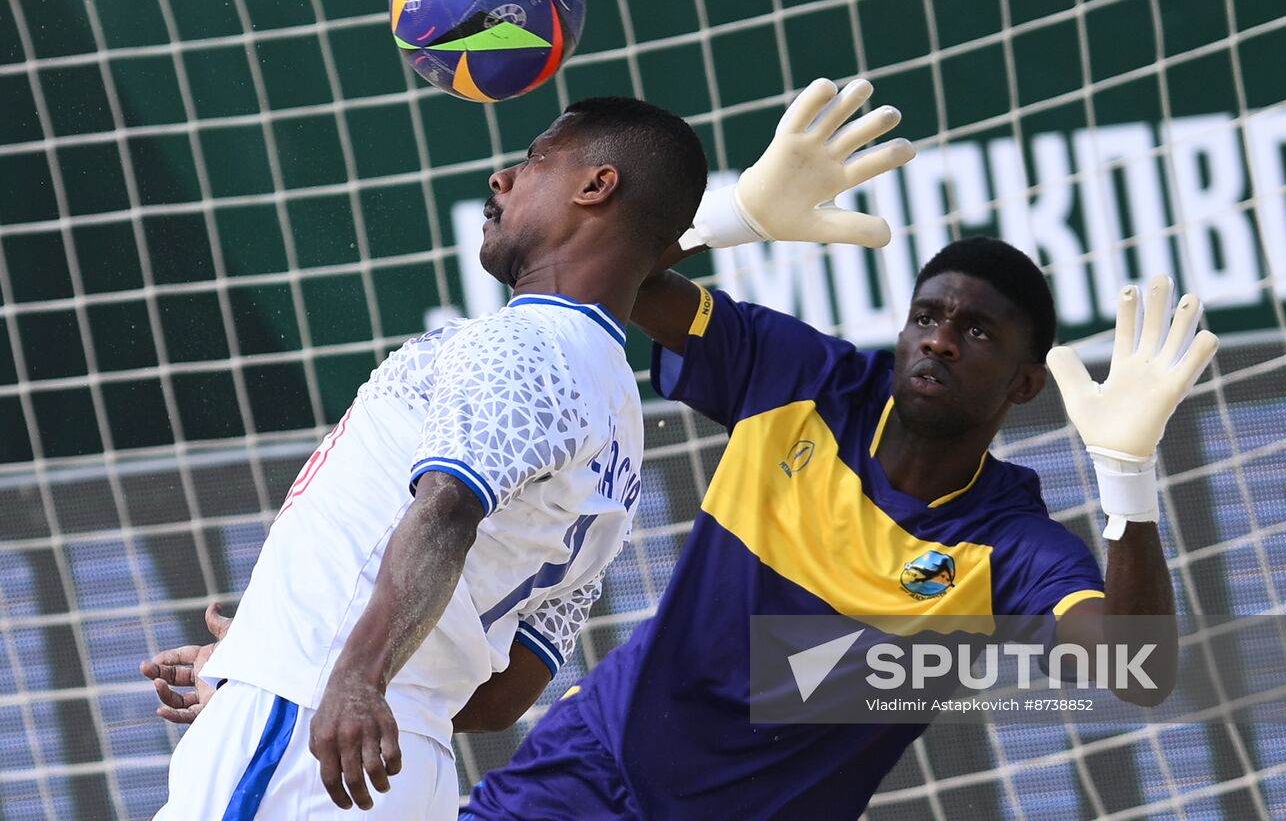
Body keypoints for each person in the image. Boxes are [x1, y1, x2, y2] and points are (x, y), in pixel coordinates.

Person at [146, 80, 1216, 819]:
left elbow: (1133, 668)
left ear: (1026, 384)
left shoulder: (1010, 542)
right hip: (577, 773)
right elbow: (608, 275)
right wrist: (728, 216)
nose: (936, 336)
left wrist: (1124, 485)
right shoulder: (804, 379)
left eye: (974, 331)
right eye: (926, 313)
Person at [146, 95, 715, 819]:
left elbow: (445, 509)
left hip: (311, 735)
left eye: (535, 159)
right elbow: (504, 694)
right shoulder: (620, 437)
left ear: (595, 186)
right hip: (403, 768)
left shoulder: (529, 344)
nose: (502, 180)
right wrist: (269, 650)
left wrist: (344, 675)